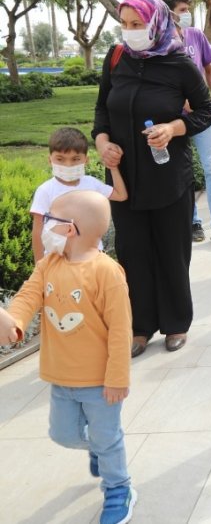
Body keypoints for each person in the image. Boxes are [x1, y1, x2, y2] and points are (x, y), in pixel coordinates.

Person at [1, 190, 136, 524]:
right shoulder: (49, 264)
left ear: (70, 229)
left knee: (108, 438)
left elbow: (121, 330)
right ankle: (100, 451)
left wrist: (117, 378)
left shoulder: (107, 272)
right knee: (62, 435)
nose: (44, 226)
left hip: (100, 382)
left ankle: (119, 489)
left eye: (50, 220)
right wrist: (13, 323)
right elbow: (27, 298)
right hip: (60, 376)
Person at [93, 0, 211, 357]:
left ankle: (177, 323)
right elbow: (102, 107)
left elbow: (207, 111)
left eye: (137, 24)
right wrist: (101, 141)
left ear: (157, 23)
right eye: (125, 24)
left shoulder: (178, 62)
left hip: (167, 175)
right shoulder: (116, 59)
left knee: (171, 250)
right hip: (123, 176)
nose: (130, 31)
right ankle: (140, 327)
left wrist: (174, 128)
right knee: (132, 252)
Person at [161, 0, 211, 243]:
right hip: (176, 119)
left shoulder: (196, 36)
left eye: (187, 9)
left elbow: (209, 69)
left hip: (202, 116)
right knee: (185, 171)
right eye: (181, 10)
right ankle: (193, 223)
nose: (187, 14)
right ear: (169, 13)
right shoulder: (160, 40)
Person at [31, 127, 128, 262]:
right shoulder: (46, 190)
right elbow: (37, 231)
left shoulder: (92, 184)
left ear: (86, 160)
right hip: (58, 260)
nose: (68, 164)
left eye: (76, 159)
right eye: (60, 159)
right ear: (50, 160)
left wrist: (113, 168)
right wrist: (39, 265)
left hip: (92, 258)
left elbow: (121, 195)